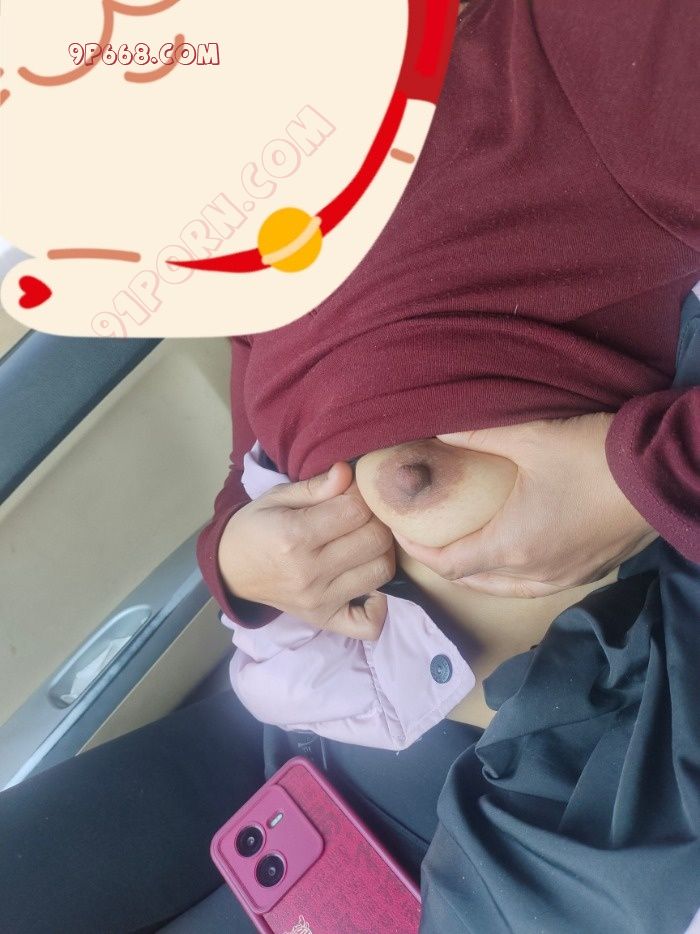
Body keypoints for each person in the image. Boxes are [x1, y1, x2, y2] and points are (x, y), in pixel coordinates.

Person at [0, 1, 697, 931]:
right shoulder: (248, 220)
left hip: (584, 741)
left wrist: (633, 485)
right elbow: (256, 457)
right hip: (330, 717)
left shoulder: (573, 50)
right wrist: (242, 564)